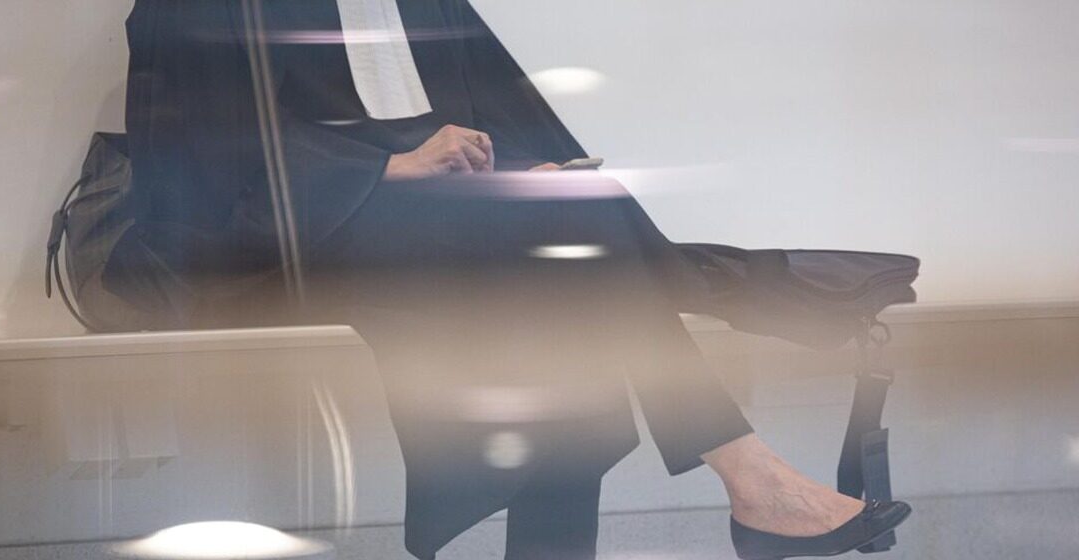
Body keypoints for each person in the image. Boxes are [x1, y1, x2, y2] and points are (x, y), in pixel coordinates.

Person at [116, 1, 910, 559]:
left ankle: (749, 472)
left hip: (438, 232)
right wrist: (387, 167)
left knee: (574, 248)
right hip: (291, 243)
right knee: (581, 266)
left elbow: (497, 107)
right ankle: (751, 470)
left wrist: (536, 170)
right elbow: (203, 168)